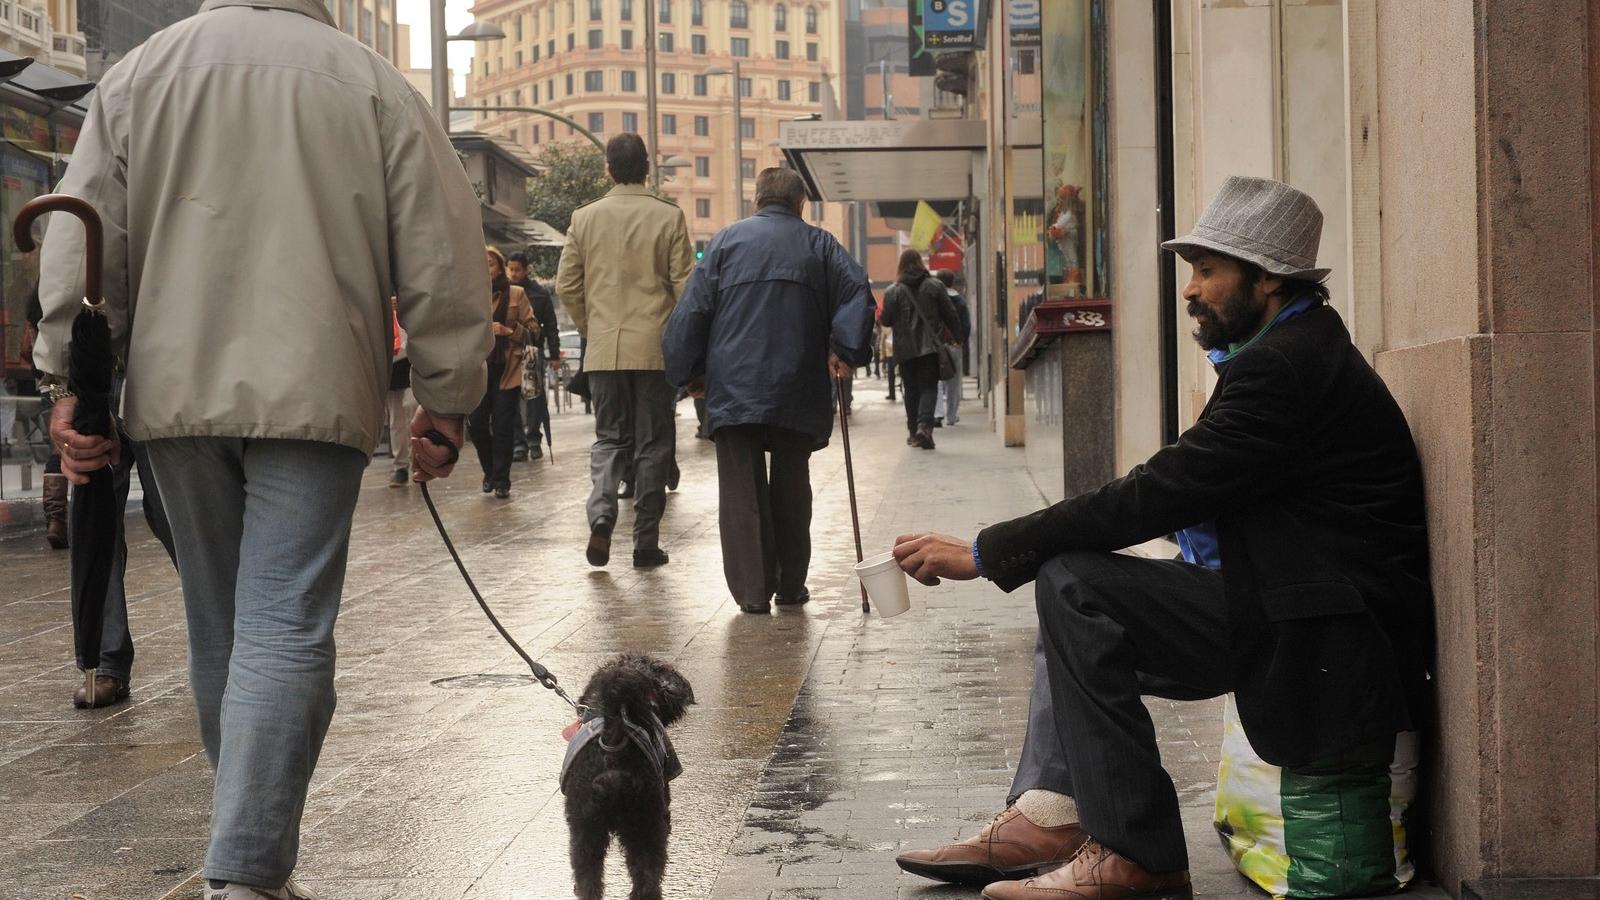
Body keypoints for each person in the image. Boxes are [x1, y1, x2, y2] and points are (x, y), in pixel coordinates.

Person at [33, 3, 490, 897]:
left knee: (223, 626)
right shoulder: (373, 84)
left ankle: (246, 855)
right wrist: (447, 397)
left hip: (176, 392)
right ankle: (245, 871)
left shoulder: (142, 74)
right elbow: (441, 256)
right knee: (285, 625)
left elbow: (81, 238)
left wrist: (68, 380)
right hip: (317, 390)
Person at [890, 176, 1434, 900]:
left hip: (1325, 635)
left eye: (1208, 271)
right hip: (1282, 602)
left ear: (1267, 278)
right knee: (1074, 580)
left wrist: (987, 551)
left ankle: (1135, 854)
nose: (1190, 291)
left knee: (1077, 585)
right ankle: (1053, 814)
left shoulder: (1286, 369)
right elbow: (1178, 492)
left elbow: (1158, 492)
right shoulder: (1282, 352)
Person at [663, 167, 873, 614]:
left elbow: (693, 310)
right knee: (792, 486)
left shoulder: (723, 243)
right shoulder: (820, 244)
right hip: (796, 385)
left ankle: (753, 593)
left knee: (741, 492)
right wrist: (845, 349)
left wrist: (688, 372)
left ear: (756, 201)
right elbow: (857, 291)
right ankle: (792, 586)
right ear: (801, 205)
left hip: (733, 387)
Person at [556, 132, 692, 569]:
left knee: (609, 439)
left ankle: (601, 515)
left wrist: (591, 328)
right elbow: (686, 288)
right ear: (647, 167)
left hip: (603, 352)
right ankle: (645, 542)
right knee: (653, 445)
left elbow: (567, 286)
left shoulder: (584, 218)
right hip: (654, 352)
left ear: (609, 169)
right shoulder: (668, 217)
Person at [470, 246, 537, 500]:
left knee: (503, 426)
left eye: (490, 264)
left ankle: (502, 480)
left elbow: (533, 330)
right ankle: (490, 471)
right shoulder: (471, 295)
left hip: (509, 368)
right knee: (476, 425)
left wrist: (508, 331)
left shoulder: (517, 294)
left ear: (499, 267)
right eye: (481, 264)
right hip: (479, 369)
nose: (486, 269)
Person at [880, 249, 960, 450]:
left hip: (904, 350)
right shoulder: (934, 286)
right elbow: (950, 313)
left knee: (911, 389)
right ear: (920, 263)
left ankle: (913, 432)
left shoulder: (893, 291)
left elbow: (886, 319)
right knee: (928, 387)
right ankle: (924, 427)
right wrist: (959, 337)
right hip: (929, 349)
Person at [507, 251, 559, 461]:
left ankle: (533, 439)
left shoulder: (538, 293)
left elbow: (551, 325)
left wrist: (554, 354)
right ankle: (518, 442)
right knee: (509, 399)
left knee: (535, 398)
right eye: (510, 269)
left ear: (526, 269)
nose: (513, 273)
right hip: (508, 352)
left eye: (517, 269)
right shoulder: (504, 292)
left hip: (531, 352)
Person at [933, 269, 971, 426]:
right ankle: (951, 415)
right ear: (952, 282)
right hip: (954, 345)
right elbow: (966, 325)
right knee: (953, 383)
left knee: (935, 380)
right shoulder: (960, 301)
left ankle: (937, 414)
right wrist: (960, 341)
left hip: (936, 345)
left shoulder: (934, 299)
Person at [386, 296, 416, 487]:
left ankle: (418, 460)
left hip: (411, 359)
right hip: (390, 362)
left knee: (413, 409)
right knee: (395, 419)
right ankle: (400, 467)